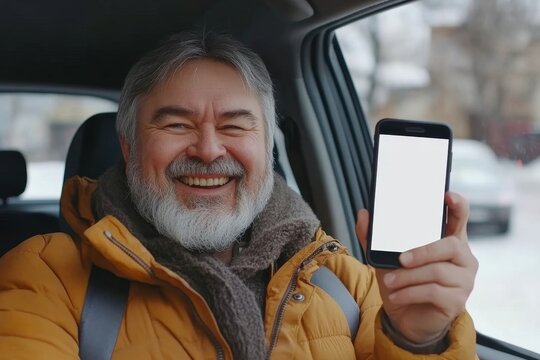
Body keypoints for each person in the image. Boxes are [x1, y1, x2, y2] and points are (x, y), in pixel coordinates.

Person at [0, 32, 478, 359]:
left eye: (234, 125)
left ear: (266, 146)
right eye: (176, 124)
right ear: (129, 147)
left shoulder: (348, 282)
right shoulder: (46, 277)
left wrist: (419, 339)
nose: (208, 150)